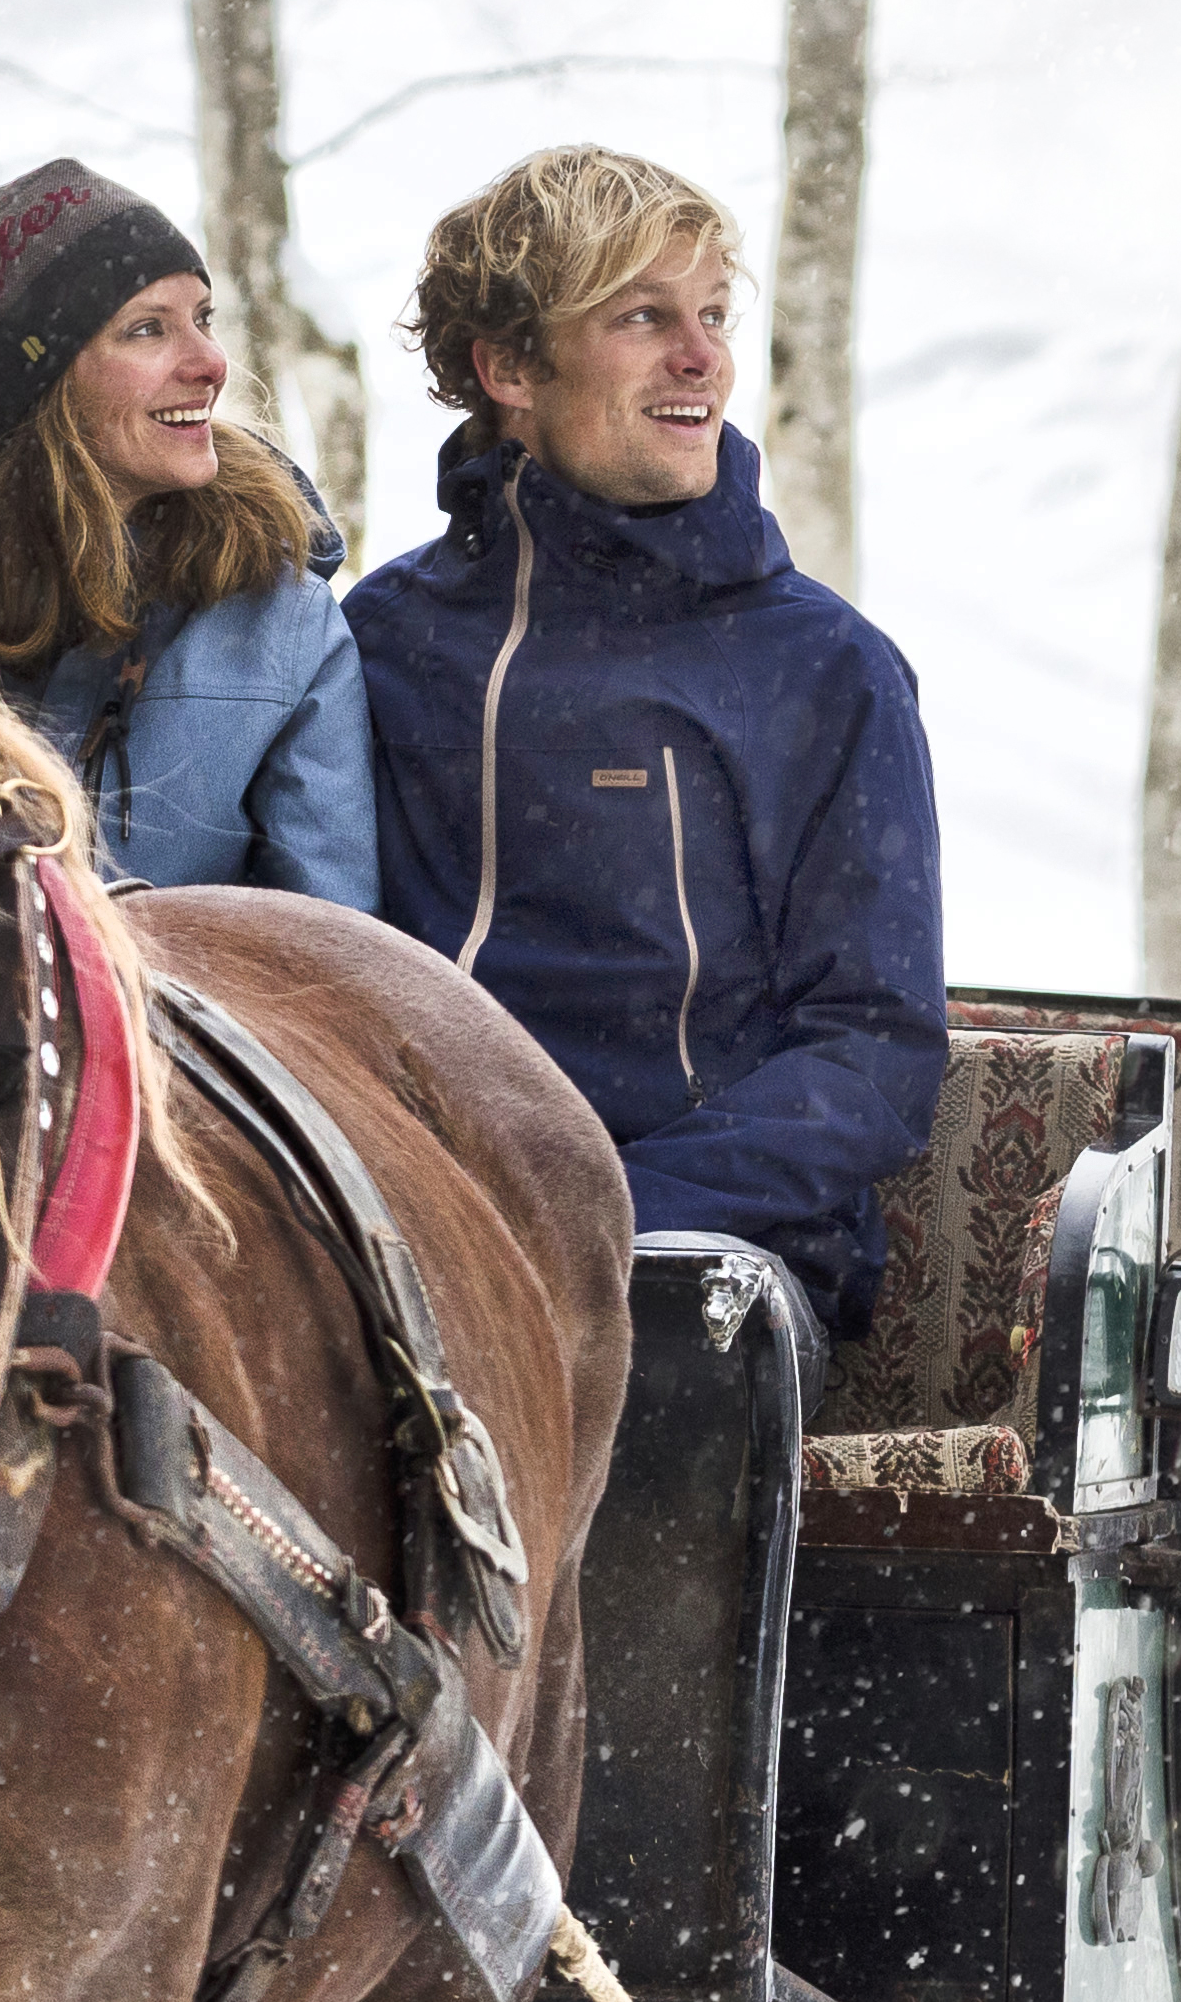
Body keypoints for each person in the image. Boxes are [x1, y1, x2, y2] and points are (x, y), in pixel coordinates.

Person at [346, 146, 944, 1339]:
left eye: (714, 313)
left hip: (697, 1267)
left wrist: (612, 1214)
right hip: (410, 1230)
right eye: (643, 314)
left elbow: (872, 1051)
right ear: (509, 365)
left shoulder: (822, 670)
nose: (703, 355)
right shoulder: (384, 636)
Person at [0, 159, 372, 902]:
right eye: (146, 330)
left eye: (203, 319)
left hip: (188, 1016)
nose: (209, 364)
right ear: (40, 383)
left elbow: (332, 952)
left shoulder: (280, 615)